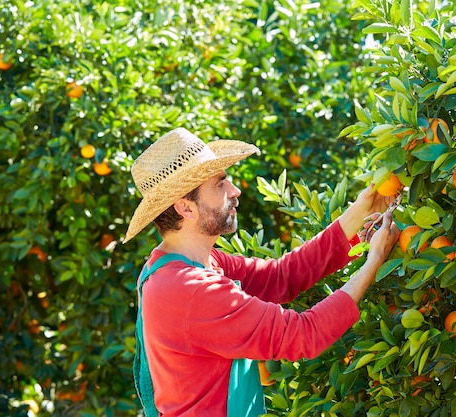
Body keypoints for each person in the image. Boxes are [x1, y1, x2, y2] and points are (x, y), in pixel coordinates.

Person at [123, 127, 400, 417]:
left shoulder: (186, 264)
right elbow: (303, 335)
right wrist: (374, 261)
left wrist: (360, 211)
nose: (234, 190)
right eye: (220, 184)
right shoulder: (191, 289)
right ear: (186, 208)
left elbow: (282, 275)